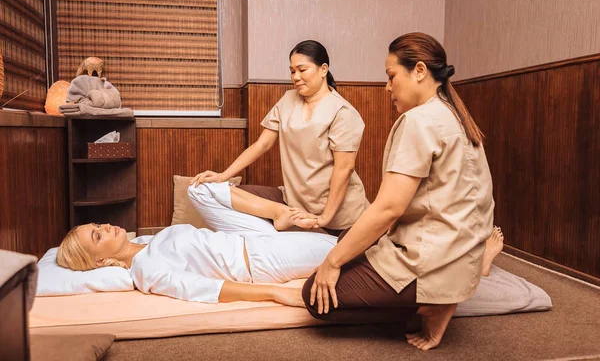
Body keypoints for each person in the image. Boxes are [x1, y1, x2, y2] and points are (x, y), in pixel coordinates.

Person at [302, 32, 496, 351]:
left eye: (391, 76)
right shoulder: (454, 114)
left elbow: (388, 209)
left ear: (419, 71)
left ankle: (433, 305)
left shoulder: (419, 121)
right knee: (347, 238)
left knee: (316, 295)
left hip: (436, 260)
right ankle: (457, 283)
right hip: (463, 249)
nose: (387, 87)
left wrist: (332, 264)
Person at [55, 182, 338, 307]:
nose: (103, 227)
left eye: (96, 226)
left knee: (199, 189)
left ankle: (277, 213)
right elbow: (205, 289)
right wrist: (275, 294)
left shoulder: (142, 242)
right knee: (338, 247)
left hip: (242, 235)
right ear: (100, 262)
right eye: (97, 236)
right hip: (254, 258)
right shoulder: (146, 270)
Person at [190, 40, 369, 233]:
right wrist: (224, 175)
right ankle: (280, 214)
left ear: (323, 69)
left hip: (339, 217)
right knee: (210, 190)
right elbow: (262, 144)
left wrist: (324, 218)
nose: (296, 77)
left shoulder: (342, 111)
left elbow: (344, 168)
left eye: (302, 69)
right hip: (295, 205)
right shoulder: (288, 100)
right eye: (292, 71)